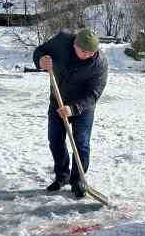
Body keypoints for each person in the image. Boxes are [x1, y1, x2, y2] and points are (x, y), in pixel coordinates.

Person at [33, 28, 108, 197]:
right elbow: (40, 51)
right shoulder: (61, 42)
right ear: (74, 44)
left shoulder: (99, 64)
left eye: (92, 52)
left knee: (81, 143)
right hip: (57, 101)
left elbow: (94, 94)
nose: (88, 55)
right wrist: (40, 60)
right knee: (55, 140)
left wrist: (73, 109)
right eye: (84, 51)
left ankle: (78, 179)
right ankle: (62, 176)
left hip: (82, 107)